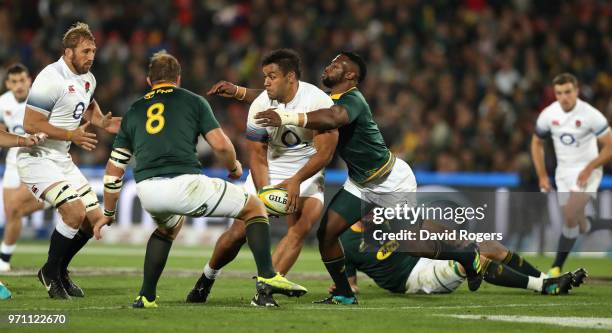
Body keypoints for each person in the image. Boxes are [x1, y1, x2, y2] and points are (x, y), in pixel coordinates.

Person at [230, 51, 484, 305]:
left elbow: (335, 117)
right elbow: (280, 95)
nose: (330, 66)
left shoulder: (353, 100)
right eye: (330, 62)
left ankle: (465, 254)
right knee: (327, 234)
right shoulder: (326, 99)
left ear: (351, 75)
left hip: (390, 181)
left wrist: (286, 117)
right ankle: (344, 293)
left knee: (413, 244)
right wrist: (240, 92)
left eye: (337, 65)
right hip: (360, 184)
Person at [93, 51, 307, 309]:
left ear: (149, 81)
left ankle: (146, 296)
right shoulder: (192, 101)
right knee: (254, 207)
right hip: (185, 183)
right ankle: (268, 277)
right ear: (178, 79)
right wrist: (235, 166)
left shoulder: (135, 110)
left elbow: (113, 171)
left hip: (148, 191)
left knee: (166, 229)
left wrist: (108, 211)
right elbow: (221, 144)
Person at [189, 49, 337, 307]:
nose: (266, 82)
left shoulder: (318, 101)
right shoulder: (260, 105)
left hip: (308, 170)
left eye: (272, 76)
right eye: (264, 76)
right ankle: (206, 278)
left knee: (300, 228)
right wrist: (266, 192)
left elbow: (324, 154)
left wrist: (296, 181)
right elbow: (257, 156)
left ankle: (264, 290)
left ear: (290, 77)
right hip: (272, 167)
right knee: (238, 233)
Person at [19, 22, 121, 299]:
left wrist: (99, 120)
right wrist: (70, 134)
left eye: (93, 51)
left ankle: (57, 270)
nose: (91, 56)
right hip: (37, 157)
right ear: (68, 52)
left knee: (95, 220)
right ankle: (52, 274)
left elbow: (86, 102)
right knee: (74, 213)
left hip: (61, 158)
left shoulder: (88, 78)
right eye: (85, 51)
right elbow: (30, 123)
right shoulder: (50, 77)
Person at [338, 221, 587, 296]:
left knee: (491, 247)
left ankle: (548, 279)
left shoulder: (387, 217)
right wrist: (345, 286)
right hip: (413, 280)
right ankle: (546, 286)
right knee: (471, 261)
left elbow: (427, 226)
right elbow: (351, 283)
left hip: (428, 261)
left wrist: (459, 240)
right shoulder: (346, 242)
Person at [531, 73, 612, 277]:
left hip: (588, 172)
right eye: (559, 93)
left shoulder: (591, 115)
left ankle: (556, 267)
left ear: (577, 91)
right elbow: (537, 143)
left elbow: (609, 146)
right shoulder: (548, 115)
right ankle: (597, 223)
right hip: (563, 174)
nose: (564, 97)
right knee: (580, 224)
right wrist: (542, 175)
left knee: (569, 217)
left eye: (568, 92)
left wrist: (590, 167)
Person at [0, 64, 50, 272]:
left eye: (22, 80)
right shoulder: (2, 102)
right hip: (15, 155)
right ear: (7, 84)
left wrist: (41, 136)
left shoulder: (41, 100)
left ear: (29, 80)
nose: (19, 85)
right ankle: (4, 259)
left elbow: (54, 125)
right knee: (11, 211)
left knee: (18, 208)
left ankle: (51, 201)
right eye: (14, 81)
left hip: (40, 154)